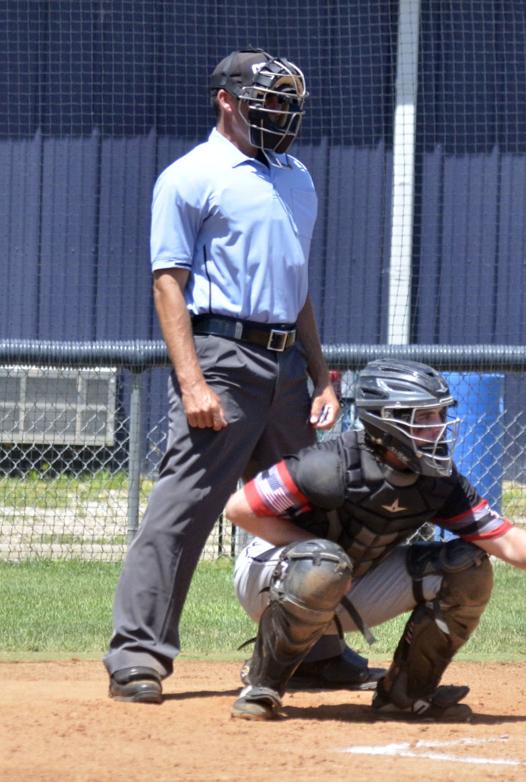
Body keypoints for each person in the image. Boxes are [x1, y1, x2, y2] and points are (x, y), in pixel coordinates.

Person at [104, 48, 343, 704]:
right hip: (223, 360)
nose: (281, 115)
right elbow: (168, 285)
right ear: (228, 102)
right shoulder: (193, 175)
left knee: (311, 505)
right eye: (269, 103)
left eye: (290, 105)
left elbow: (296, 287)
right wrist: (192, 382)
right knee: (184, 509)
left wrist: (322, 375)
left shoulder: (297, 177)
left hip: (287, 364)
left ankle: (318, 649)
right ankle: (137, 655)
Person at [224, 358, 526, 721]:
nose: (438, 426)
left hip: (346, 580)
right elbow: (240, 509)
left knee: (467, 566)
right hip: (270, 578)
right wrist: (315, 552)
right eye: (424, 417)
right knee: (324, 564)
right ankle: (263, 686)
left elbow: (500, 537)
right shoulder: (330, 464)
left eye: (440, 414)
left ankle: (405, 695)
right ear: (387, 421)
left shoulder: (438, 481)